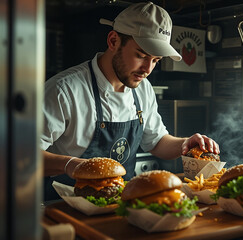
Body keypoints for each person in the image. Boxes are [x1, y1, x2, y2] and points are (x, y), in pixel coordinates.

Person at [41, 2, 220, 201]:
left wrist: (185, 144)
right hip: (65, 204)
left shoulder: (143, 88)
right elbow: (20, 156)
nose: (147, 69)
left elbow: (157, 141)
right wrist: (72, 165)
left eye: (155, 60)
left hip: (123, 204)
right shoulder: (63, 90)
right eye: (141, 56)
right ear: (113, 41)